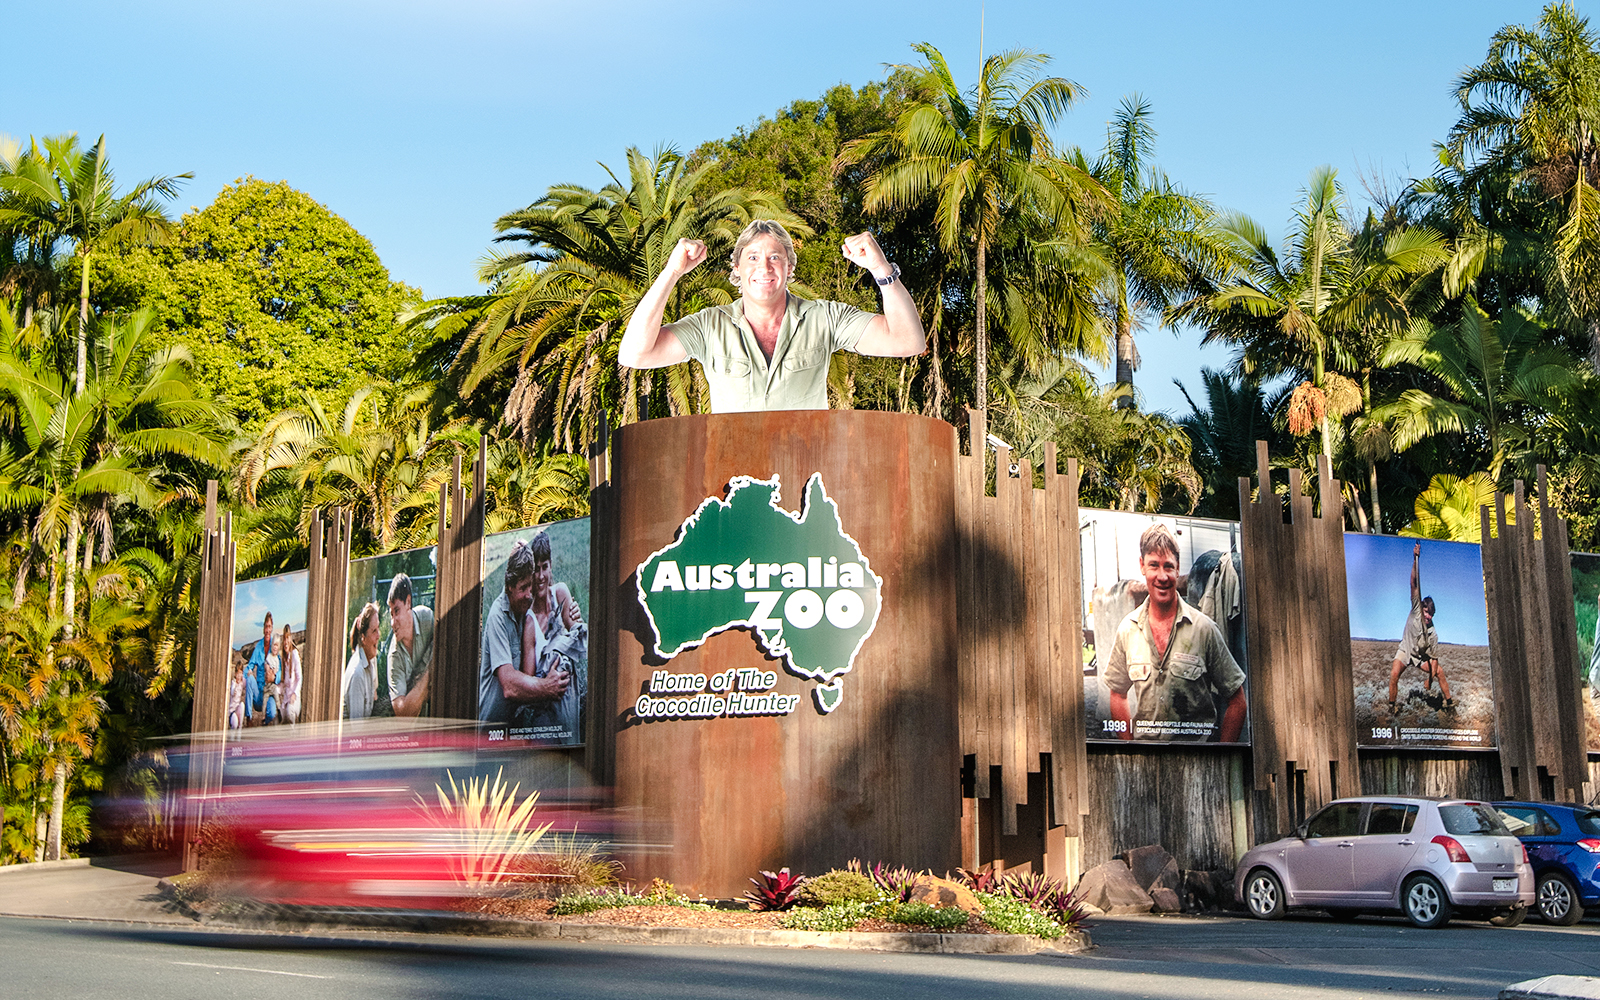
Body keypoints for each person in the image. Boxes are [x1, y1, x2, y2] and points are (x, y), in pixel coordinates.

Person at [617, 219, 926, 413]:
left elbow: (907, 341)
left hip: (805, 484)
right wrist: (672, 272)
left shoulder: (826, 317)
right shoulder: (709, 326)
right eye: (752, 257)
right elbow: (635, 354)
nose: (763, 268)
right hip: (733, 489)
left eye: (774, 257)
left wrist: (881, 269)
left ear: (789, 268)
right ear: (736, 269)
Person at [1104, 523, 1249, 742]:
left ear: (1177, 568)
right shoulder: (1128, 629)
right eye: (1154, 565)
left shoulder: (1204, 629)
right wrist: (1130, 749)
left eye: (1168, 566)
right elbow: (1117, 693)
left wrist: (1220, 758)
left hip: (1197, 766)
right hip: (1147, 764)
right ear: (1142, 566)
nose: (1162, 576)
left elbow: (1237, 701)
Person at [479, 540, 571, 725]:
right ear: (509, 587)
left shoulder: (524, 611)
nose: (529, 594)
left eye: (530, 586)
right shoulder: (498, 616)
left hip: (514, 728)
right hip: (490, 732)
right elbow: (509, 686)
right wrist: (546, 687)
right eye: (523, 588)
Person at [517, 530, 587, 739]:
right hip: (546, 714)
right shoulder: (529, 622)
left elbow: (581, 643)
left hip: (573, 700)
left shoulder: (561, 593)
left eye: (544, 567)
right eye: (534, 570)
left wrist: (580, 622)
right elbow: (528, 682)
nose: (540, 577)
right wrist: (547, 682)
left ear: (551, 566)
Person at [1388, 542, 1454, 714]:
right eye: (1426, 612)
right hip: (1405, 650)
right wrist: (1415, 558)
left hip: (1419, 657)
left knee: (1439, 671)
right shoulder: (1416, 608)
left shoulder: (1433, 634)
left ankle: (1449, 703)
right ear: (1422, 608)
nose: (1427, 616)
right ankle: (1392, 707)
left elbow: (1434, 660)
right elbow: (1413, 583)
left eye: (1431, 614)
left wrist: (1430, 680)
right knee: (1394, 674)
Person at [386, 574, 435, 718]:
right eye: (391, 615)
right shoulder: (394, 657)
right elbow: (403, 714)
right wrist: (428, 674)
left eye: (397, 611)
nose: (393, 622)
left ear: (408, 602)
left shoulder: (427, 619)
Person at [343, 602, 382, 720]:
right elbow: (356, 730)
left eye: (378, 628)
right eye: (374, 631)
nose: (379, 635)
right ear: (363, 638)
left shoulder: (371, 660)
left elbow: (374, 697)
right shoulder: (358, 674)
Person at [244, 611, 274, 722]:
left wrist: (275, 677)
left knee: (272, 714)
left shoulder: (274, 646)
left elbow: (279, 669)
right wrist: (245, 674)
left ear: (272, 628)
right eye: (266, 626)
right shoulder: (258, 647)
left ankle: (265, 722)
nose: (267, 630)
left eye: (269, 627)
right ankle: (249, 719)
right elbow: (250, 665)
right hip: (258, 696)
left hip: (269, 692)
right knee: (249, 678)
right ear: (263, 628)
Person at [280, 624, 302, 725]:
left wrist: (295, 693)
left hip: (294, 697)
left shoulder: (294, 655)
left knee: (289, 712)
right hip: (286, 698)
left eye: (288, 638)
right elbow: (283, 683)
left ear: (291, 639)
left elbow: (299, 678)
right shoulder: (284, 659)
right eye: (284, 639)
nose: (286, 642)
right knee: (280, 714)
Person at [262, 633, 283, 725]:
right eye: (274, 645)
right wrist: (267, 668)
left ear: (279, 647)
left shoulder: (278, 659)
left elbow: (278, 671)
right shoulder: (269, 656)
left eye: (277, 645)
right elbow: (266, 664)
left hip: (273, 685)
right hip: (267, 686)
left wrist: (274, 673)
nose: (275, 647)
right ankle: (263, 718)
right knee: (264, 701)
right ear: (272, 646)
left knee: (276, 696)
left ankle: (279, 710)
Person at [226, 655, 245, 732]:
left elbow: (247, 684)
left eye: (240, 673)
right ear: (235, 674)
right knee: (235, 723)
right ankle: (232, 736)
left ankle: (240, 729)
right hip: (232, 711)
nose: (239, 675)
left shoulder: (242, 682)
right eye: (237, 673)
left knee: (242, 705)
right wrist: (235, 690)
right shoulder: (233, 683)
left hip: (238, 708)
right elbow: (232, 692)